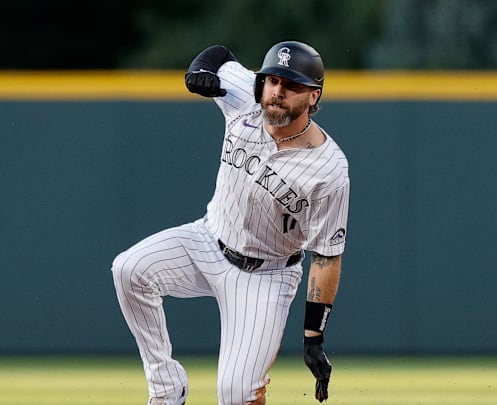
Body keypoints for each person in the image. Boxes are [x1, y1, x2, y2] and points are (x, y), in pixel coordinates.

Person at [112, 40, 350, 405]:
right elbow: (219, 55)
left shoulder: (329, 169)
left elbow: (326, 257)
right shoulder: (247, 95)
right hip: (207, 239)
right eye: (272, 80)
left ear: (314, 97)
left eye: (291, 85)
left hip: (266, 275)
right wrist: (198, 72)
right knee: (129, 270)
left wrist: (313, 337)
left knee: (236, 394)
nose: (277, 90)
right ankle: (166, 389)